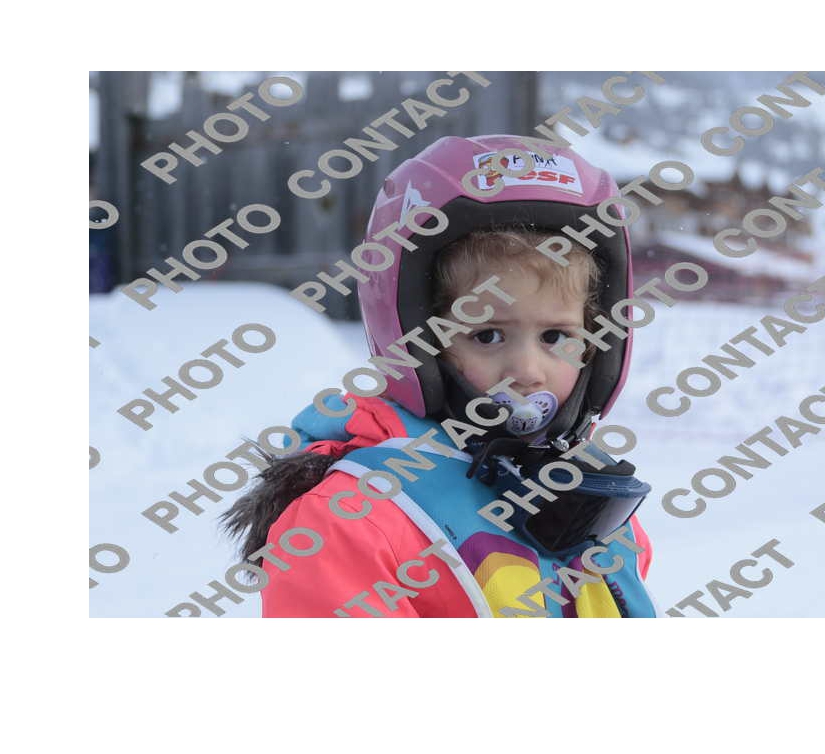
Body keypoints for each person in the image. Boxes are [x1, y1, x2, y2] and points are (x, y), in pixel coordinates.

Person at [223, 134, 659, 617]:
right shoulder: (352, 519)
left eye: (555, 336)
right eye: (488, 335)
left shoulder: (591, 501)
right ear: (419, 342)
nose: (527, 371)